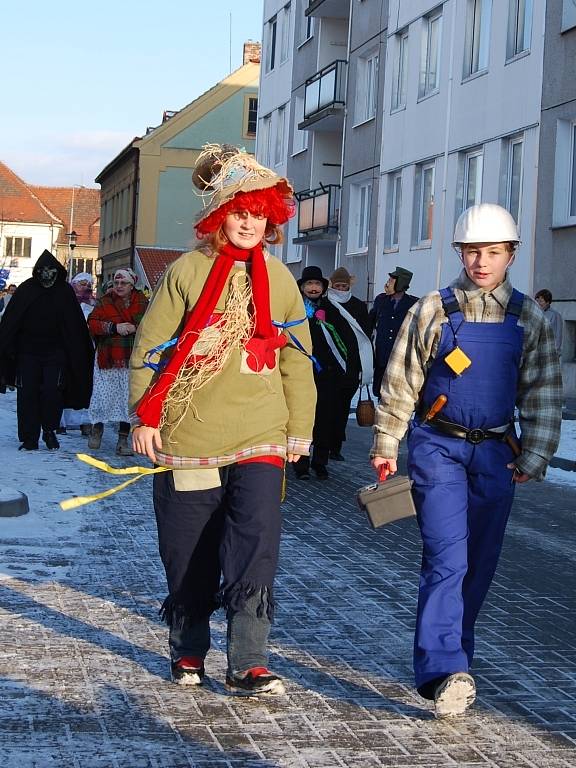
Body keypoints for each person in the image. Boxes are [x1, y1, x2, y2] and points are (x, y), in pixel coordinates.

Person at [129, 144, 315, 695]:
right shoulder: (187, 272)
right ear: (218, 216)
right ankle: (188, 651)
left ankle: (248, 661)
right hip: (188, 437)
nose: (250, 223)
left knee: (255, 546)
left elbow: (296, 362)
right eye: (239, 212)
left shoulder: (280, 280)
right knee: (190, 552)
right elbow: (148, 349)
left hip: (260, 436)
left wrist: (299, 431)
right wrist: (144, 418)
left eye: (258, 214)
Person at [371, 204, 562, 718]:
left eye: (493, 252)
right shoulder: (433, 309)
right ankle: (441, 670)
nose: (482, 262)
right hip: (438, 447)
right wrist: (387, 442)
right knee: (446, 558)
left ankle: (457, 665)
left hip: (498, 454)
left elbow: (542, 389)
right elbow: (403, 377)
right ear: (460, 252)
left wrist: (538, 450)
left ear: (511, 254)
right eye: (473, 251)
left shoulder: (530, 318)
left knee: (479, 565)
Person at [0, 251, 94, 450]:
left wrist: (77, 353)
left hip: (55, 353)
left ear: (57, 271)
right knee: (27, 394)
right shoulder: (27, 289)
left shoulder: (63, 292)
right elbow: (11, 321)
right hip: (28, 352)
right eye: (43, 270)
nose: (46, 274)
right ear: (37, 271)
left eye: (50, 270)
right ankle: (29, 437)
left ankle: (50, 430)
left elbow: (74, 326)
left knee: (53, 393)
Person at [87, 268, 148, 456]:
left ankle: (123, 440)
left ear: (132, 285)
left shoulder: (142, 302)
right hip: (108, 357)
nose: (119, 286)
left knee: (127, 399)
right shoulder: (105, 301)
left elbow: (152, 324)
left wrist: (134, 328)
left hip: (131, 356)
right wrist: (114, 327)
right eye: (116, 283)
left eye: (124, 283)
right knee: (102, 396)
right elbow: (93, 323)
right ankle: (96, 429)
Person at [325, 267, 372, 460]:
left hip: (351, 367)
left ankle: (336, 446)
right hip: (329, 366)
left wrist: (363, 365)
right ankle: (323, 444)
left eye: (344, 286)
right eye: (338, 286)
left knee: (342, 408)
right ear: (332, 285)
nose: (341, 289)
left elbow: (365, 335)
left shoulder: (359, 306)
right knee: (327, 407)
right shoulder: (325, 304)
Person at [370, 267, 418, 397]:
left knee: (398, 394)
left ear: (400, 283)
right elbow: (370, 323)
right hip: (382, 357)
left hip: (400, 358)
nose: (388, 283)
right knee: (380, 393)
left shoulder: (413, 303)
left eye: (392, 280)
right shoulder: (381, 300)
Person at [61, 272, 97, 435]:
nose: (86, 287)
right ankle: (61, 421)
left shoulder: (94, 304)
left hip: (87, 349)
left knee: (84, 385)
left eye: (88, 284)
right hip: (67, 349)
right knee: (65, 384)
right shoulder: (65, 303)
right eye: (82, 283)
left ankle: (83, 422)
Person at [535, 289, 563, 356]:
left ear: (548, 302)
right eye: (537, 301)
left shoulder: (555, 315)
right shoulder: (534, 314)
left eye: (541, 301)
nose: (538, 303)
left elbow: (558, 337)